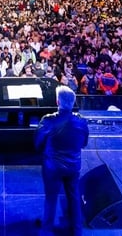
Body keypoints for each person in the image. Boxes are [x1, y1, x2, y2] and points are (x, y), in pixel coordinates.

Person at [34, 85, 90, 236]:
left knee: (51, 198)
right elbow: (84, 143)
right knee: (74, 196)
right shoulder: (82, 122)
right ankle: (77, 230)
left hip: (52, 167)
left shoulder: (48, 121)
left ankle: (46, 230)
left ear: (58, 101)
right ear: (73, 103)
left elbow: (37, 143)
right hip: (73, 166)